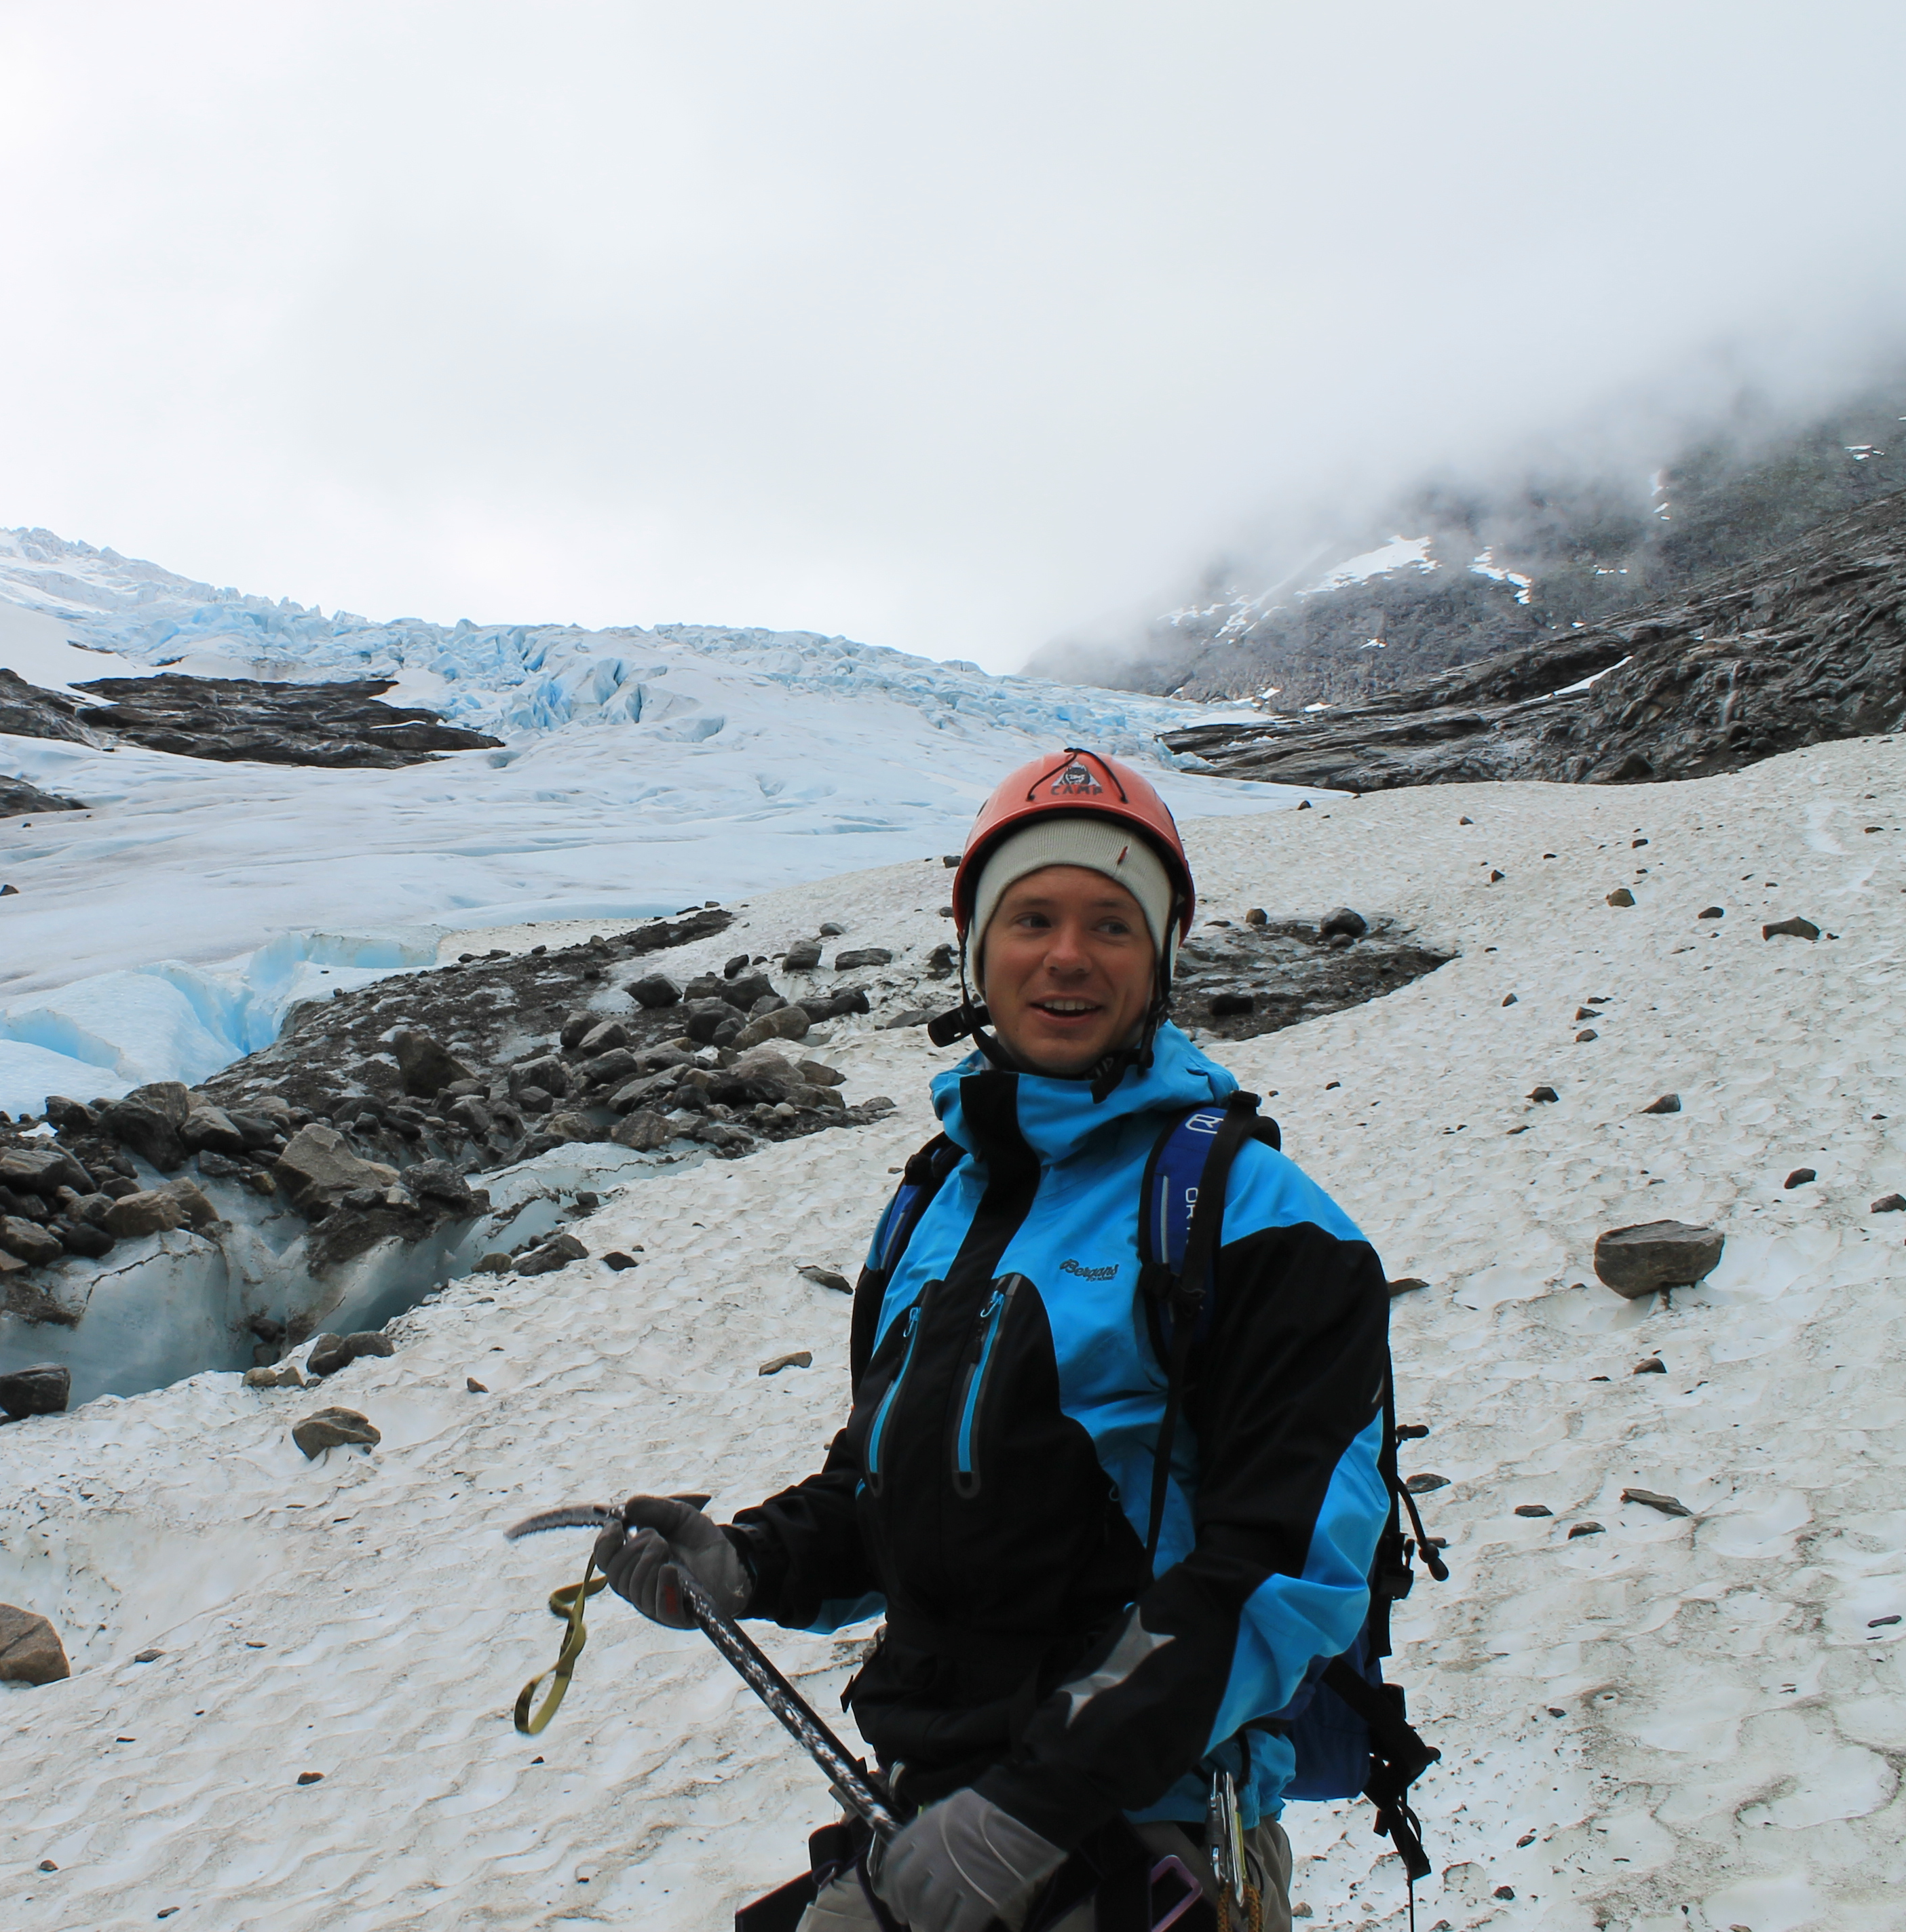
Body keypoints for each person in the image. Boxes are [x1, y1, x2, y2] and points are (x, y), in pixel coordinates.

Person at [595, 748, 1394, 1932]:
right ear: (977, 949)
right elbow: (885, 1492)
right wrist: (745, 1566)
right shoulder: (937, 1205)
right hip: (928, 1814)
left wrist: (1032, 1808)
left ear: (1162, 959)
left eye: (1113, 924)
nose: (1066, 956)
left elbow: (1280, 1572)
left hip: (1146, 1831)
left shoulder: (1262, 1222)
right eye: (1030, 917)